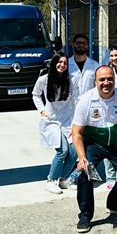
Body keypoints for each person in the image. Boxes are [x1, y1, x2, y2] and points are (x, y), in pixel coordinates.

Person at [71, 66, 117, 233]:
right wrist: (82, 158)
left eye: (110, 79)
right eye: (102, 79)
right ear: (95, 81)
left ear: (114, 80)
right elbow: (76, 132)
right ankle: (85, 216)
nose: (106, 83)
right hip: (93, 145)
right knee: (84, 175)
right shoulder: (85, 100)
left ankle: (114, 203)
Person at [32, 53, 79, 194]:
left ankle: (63, 179)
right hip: (51, 121)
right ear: (53, 63)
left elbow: (76, 101)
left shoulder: (72, 80)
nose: (62, 65)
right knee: (62, 151)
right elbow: (35, 94)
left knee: (74, 152)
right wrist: (42, 110)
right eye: (59, 62)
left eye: (65, 63)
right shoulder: (43, 79)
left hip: (68, 120)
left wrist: (77, 122)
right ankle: (51, 180)